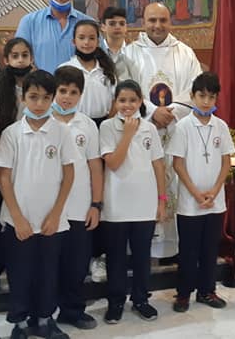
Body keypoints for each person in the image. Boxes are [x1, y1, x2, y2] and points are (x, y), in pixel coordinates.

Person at [0, 70, 75, 339]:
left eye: (45, 97)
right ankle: (19, 323)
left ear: (52, 99)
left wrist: (56, 214)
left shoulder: (61, 132)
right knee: (19, 273)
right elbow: (4, 178)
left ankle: (44, 319)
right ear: (23, 98)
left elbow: (69, 174)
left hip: (52, 221)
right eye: (33, 97)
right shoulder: (12, 133)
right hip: (19, 220)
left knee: (48, 273)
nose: (39, 103)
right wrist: (17, 217)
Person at [124, 3, 203, 259]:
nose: (157, 25)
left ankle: (176, 248)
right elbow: (125, 90)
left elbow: (195, 88)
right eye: (152, 20)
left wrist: (170, 113)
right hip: (142, 133)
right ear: (143, 21)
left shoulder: (185, 53)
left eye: (162, 20)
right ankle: (142, 248)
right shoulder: (129, 54)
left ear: (171, 21)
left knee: (177, 183)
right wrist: (150, 111)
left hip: (176, 131)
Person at [100, 80, 167, 324]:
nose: (127, 105)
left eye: (132, 100)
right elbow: (114, 163)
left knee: (141, 256)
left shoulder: (149, 129)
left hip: (144, 205)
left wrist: (161, 200)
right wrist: (127, 134)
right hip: (116, 206)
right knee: (116, 257)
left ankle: (141, 299)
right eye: (122, 100)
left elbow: (158, 164)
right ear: (115, 103)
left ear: (140, 102)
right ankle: (116, 302)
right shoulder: (107, 127)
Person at [169, 72, 234, 313]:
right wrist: (197, 194)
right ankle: (184, 293)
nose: (206, 101)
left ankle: (207, 291)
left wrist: (215, 191)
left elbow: (226, 161)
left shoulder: (221, 126)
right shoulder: (183, 126)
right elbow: (178, 164)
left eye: (211, 96)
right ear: (192, 96)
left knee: (210, 249)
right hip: (190, 202)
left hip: (215, 202)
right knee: (188, 250)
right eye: (201, 96)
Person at [51, 66, 103, 331]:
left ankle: (72, 310)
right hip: (47, 209)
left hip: (80, 208)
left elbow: (95, 167)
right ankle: (44, 314)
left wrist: (96, 204)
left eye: (73, 92)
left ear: (81, 95)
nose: (67, 97)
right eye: (62, 91)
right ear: (54, 91)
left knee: (76, 263)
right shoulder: (42, 120)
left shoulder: (88, 125)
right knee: (49, 264)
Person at [0, 38, 35, 289]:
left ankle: (26, 263)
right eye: (15, 56)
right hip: (4, 161)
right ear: (6, 60)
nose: (20, 60)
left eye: (25, 55)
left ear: (31, 58)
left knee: (27, 210)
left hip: (33, 161)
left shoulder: (39, 86)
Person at [16, 0, 99, 73]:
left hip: (80, 88)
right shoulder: (29, 22)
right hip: (42, 87)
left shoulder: (89, 23)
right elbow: (19, 59)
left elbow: (100, 59)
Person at [58, 20, 117, 126]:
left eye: (91, 38)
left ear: (98, 42)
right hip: (73, 124)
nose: (86, 42)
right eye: (81, 38)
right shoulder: (65, 69)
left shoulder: (107, 69)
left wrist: (108, 123)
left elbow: (114, 100)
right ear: (74, 41)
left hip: (104, 123)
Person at [101, 6, 137, 82]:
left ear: (126, 27)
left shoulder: (134, 52)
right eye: (112, 23)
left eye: (122, 23)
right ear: (103, 27)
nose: (117, 27)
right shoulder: (97, 52)